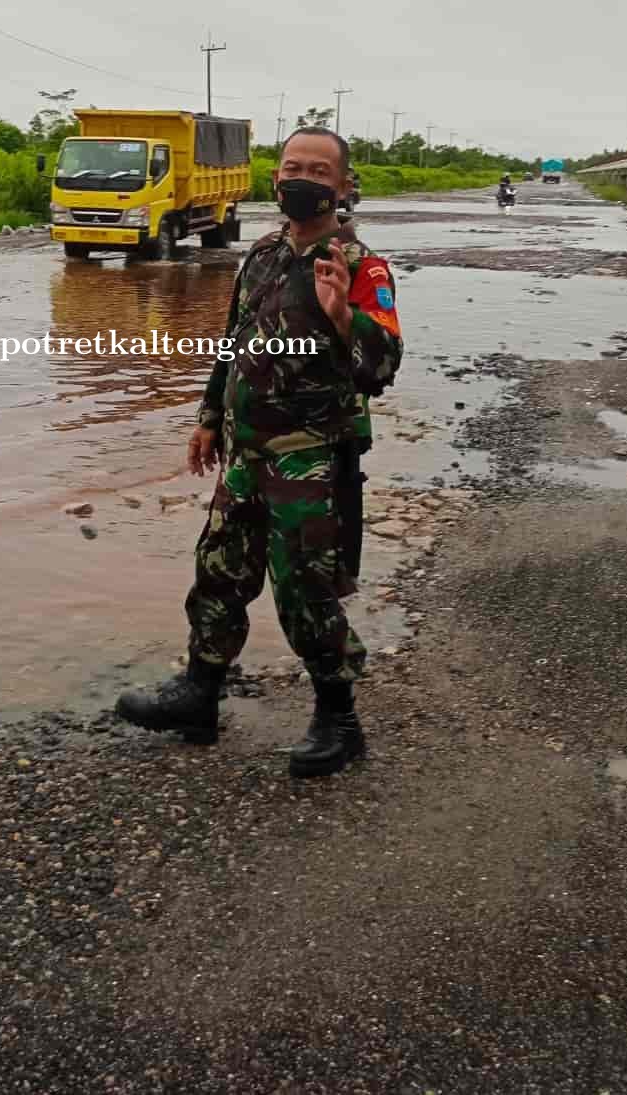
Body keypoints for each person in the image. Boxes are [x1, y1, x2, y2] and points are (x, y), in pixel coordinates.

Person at [116, 127, 404, 778]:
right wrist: (210, 416)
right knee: (218, 571)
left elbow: (382, 365)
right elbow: (233, 339)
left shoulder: (360, 265)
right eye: (291, 165)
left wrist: (342, 320)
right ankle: (199, 695)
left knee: (306, 590)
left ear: (341, 185)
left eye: (318, 169)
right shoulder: (264, 255)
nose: (302, 177)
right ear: (276, 177)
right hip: (246, 452)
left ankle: (339, 717)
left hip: (310, 455)